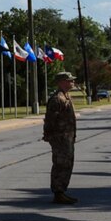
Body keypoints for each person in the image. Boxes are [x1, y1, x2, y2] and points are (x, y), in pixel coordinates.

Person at [45, 70, 79, 204]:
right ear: (62, 82)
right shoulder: (57, 98)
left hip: (67, 138)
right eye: (70, 80)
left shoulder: (66, 96)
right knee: (61, 164)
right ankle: (58, 192)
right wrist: (50, 136)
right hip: (60, 138)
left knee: (67, 164)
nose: (73, 82)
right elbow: (50, 120)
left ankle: (62, 191)